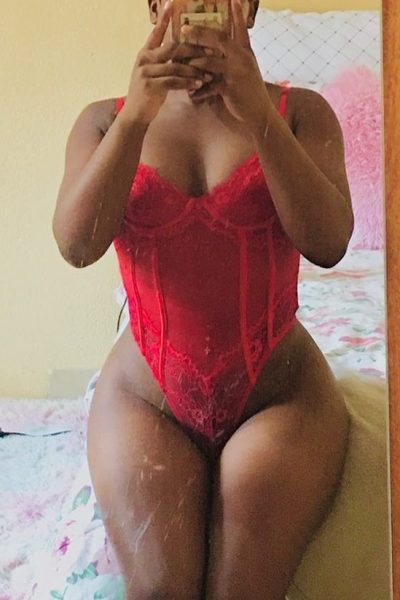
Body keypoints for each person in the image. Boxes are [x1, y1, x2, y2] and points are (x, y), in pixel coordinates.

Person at [52, 0, 354, 598]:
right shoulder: (104, 122)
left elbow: (329, 244)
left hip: (280, 396)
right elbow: (77, 246)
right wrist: (137, 119)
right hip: (144, 401)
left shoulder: (302, 113)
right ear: (155, 8)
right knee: (158, 589)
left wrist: (258, 114)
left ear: (250, 9)